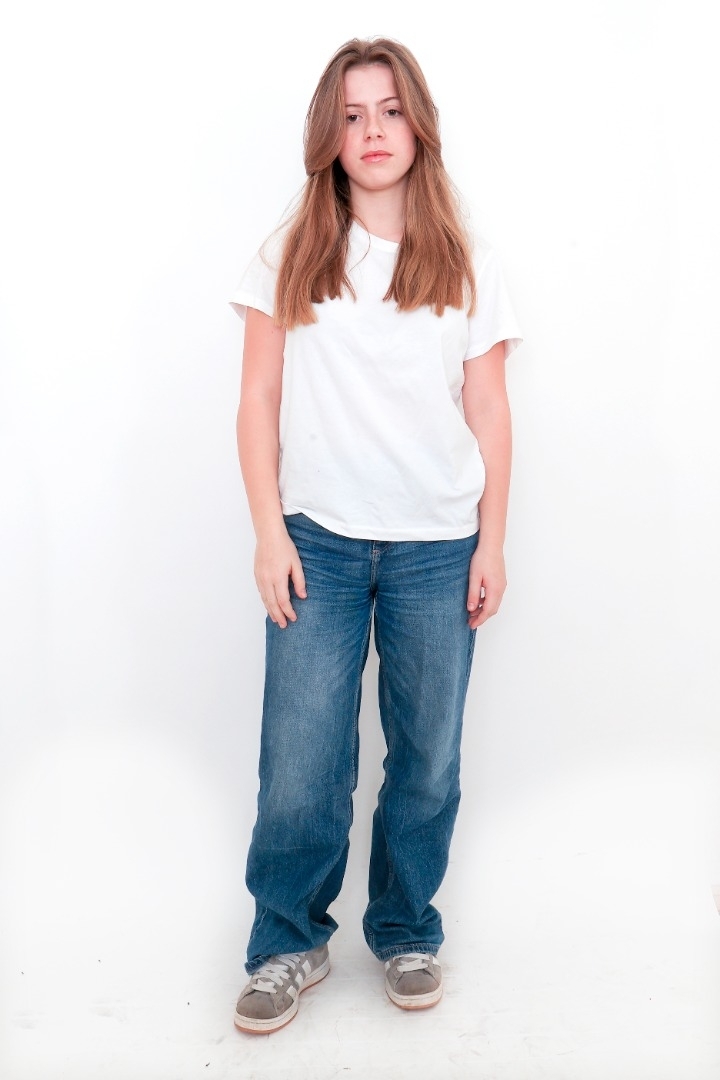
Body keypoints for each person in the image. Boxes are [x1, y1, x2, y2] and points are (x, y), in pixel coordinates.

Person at [229, 36, 522, 1034]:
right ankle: (285, 941)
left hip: (438, 548)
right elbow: (257, 398)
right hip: (318, 541)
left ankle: (404, 929)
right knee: (300, 760)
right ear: (330, 134)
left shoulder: (465, 257)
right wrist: (269, 534)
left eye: (390, 110)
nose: (373, 131)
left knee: (427, 757)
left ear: (419, 124)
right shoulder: (291, 252)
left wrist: (491, 542)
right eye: (352, 115)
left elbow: (490, 408)